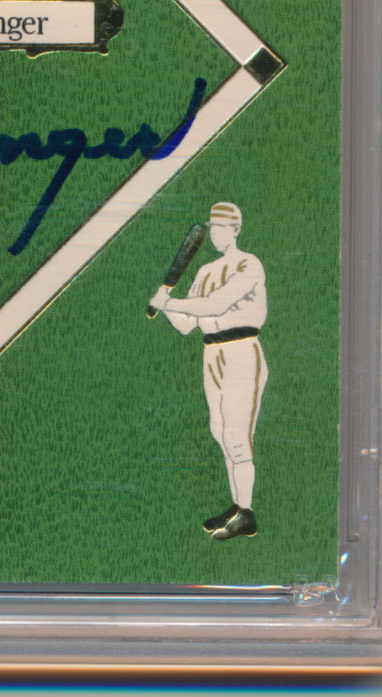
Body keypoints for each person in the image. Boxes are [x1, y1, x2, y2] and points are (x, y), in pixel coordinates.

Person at [150, 201, 268, 541]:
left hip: (242, 350)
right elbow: (187, 324)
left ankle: (247, 514)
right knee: (220, 431)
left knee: (237, 434)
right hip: (212, 352)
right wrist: (164, 302)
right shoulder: (205, 271)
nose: (215, 233)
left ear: (236, 229)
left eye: (221, 227)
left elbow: (216, 305)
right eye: (213, 227)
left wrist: (170, 302)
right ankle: (238, 506)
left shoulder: (248, 264)